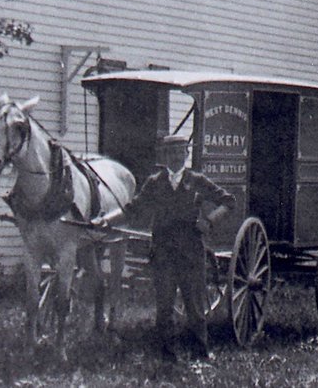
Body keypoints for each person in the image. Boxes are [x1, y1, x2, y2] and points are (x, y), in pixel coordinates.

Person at [97, 134, 234, 361]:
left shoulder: (197, 180)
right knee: (164, 309)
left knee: (195, 309)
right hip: (163, 254)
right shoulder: (155, 182)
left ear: (186, 155)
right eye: (170, 153)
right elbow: (132, 208)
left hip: (191, 253)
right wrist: (106, 221)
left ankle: (200, 354)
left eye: (180, 152)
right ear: (164, 156)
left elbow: (228, 201)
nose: (175, 157)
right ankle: (166, 357)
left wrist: (209, 221)